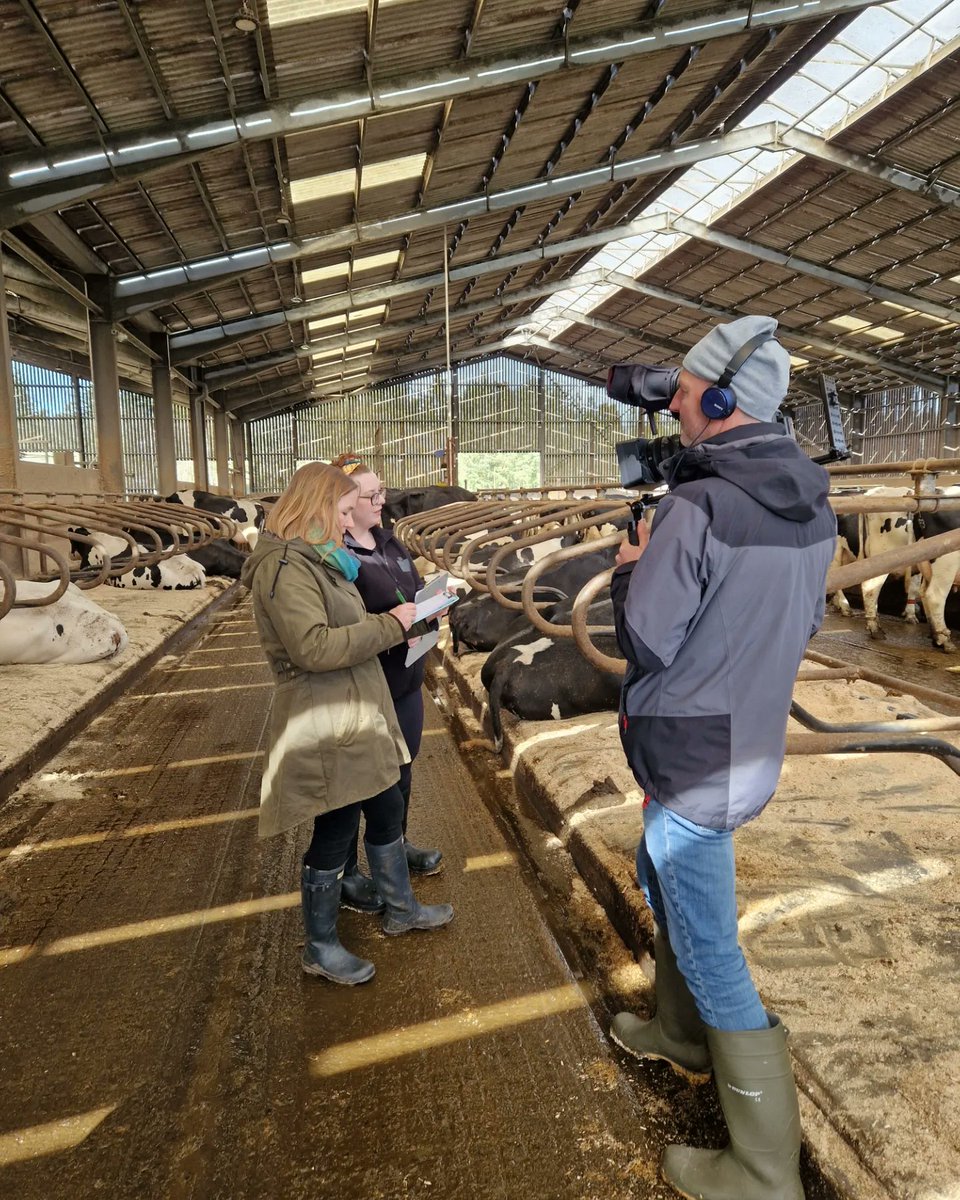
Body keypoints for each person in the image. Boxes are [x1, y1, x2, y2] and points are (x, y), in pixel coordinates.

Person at [608, 315, 835, 1200]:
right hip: (746, 745)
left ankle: (764, 1171)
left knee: (711, 947)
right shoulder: (811, 501)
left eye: (685, 390)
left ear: (715, 395)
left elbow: (645, 637)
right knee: (657, 874)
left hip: (695, 757)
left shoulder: (698, 505)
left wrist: (634, 563)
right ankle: (677, 1031)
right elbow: (803, 623)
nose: (675, 407)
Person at [240, 462, 453, 986]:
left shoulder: (320, 560)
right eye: (339, 511)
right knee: (336, 827)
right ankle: (320, 945)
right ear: (314, 508)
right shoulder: (287, 568)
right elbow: (312, 647)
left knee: (386, 803)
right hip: (326, 713)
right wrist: (392, 625)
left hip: (357, 704)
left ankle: (401, 909)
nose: (345, 523)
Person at [329, 452, 448, 916]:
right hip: (367, 680)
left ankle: (396, 848)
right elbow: (345, 623)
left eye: (382, 492)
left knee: (402, 769)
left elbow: (413, 590)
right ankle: (347, 870)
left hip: (406, 674)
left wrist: (433, 605)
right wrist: (396, 621)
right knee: (361, 780)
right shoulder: (337, 558)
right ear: (344, 502)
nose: (383, 500)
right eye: (371, 495)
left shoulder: (390, 542)